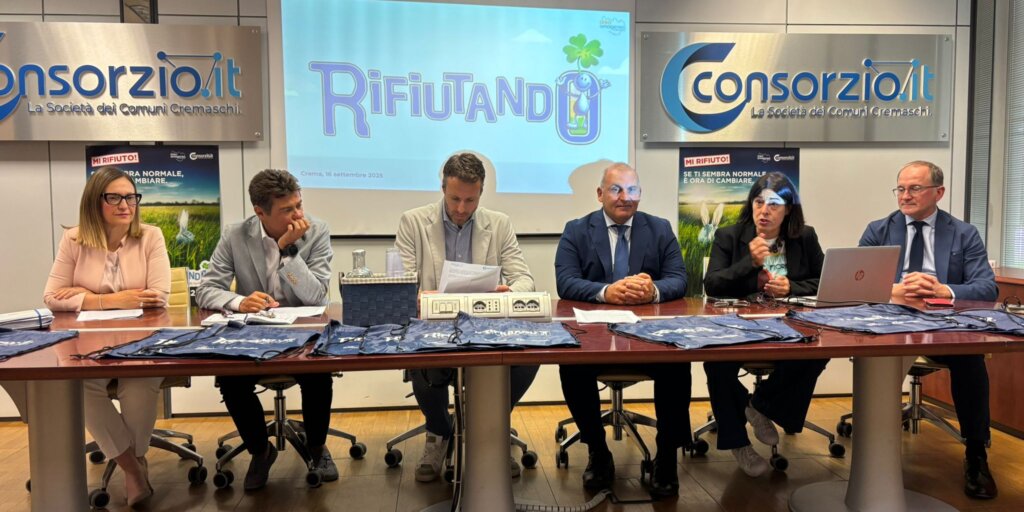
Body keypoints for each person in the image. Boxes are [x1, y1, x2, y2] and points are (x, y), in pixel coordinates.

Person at [395, 152, 538, 482]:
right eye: (455, 198)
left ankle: (487, 430)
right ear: (443, 188)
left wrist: (508, 293)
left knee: (530, 357)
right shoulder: (413, 222)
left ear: (481, 193)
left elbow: (524, 278)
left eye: (470, 200)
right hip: (434, 327)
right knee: (421, 361)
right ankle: (438, 431)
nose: (461, 208)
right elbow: (403, 283)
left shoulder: (498, 223)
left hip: (486, 327)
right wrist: (422, 296)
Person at [859, 160, 998, 499]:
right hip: (891, 322)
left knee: (971, 360)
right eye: (901, 188)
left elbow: (987, 288)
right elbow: (856, 281)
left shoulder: (964, 233)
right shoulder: (879, 230)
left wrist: (942, 289)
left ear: (939, 192)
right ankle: (871, 453)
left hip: (942, 324)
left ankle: (976, 453)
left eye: (915, 188)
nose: (905, 195)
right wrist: (893, 290)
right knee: (870, 358)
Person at [554, 162, 691, 499]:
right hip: (595, 337)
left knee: (678, 364)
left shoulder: (659, 229)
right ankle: (598, 452)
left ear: (640, 194)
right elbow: (565, 281)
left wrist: (653, 291)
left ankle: (666, 457)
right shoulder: (576, 230)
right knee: (571, 366)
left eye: (632, 190)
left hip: (646, 337)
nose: (625, 197)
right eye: (616, 189)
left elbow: (679, 279)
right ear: (600, 194)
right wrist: (607, 292)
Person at [195, 169, 336, 491]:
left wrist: (288, 251)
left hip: (301, 331)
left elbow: (316, 297)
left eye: (299, 205)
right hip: (253, 333)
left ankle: (317, 447)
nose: (298, 215)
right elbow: (206, 290)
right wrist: (239, 301)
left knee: (317, 373)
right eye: (287, 210)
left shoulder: (316, 231)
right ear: (260, 212)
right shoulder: (235, 235)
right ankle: (260, 450)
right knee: (231, 379)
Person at [41, 166, 170, 506]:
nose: (125, 205)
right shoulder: (74, 240)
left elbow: (158, 296)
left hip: (141, 341)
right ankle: (133, 467)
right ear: (94, 202)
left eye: (131, 197)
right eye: (114, 198)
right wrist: (110, 300)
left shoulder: (151, 236)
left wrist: (82, 294)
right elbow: (52, 297)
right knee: (80, 383)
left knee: (139, 382)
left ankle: (131, 463)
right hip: (88, 342)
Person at [702, 172, 829, 477]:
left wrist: (792, 287)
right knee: (717, 364)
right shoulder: (730, 236)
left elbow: (826, 280)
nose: (764, 211)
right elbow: (712, 284)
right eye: (759, 202)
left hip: (789, 322)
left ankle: (760, 405)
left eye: (774, 204)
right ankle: (738, 442)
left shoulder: (804, 236)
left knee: (818, 350)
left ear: (788, 209)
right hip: (740, 322)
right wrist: (749, 261)